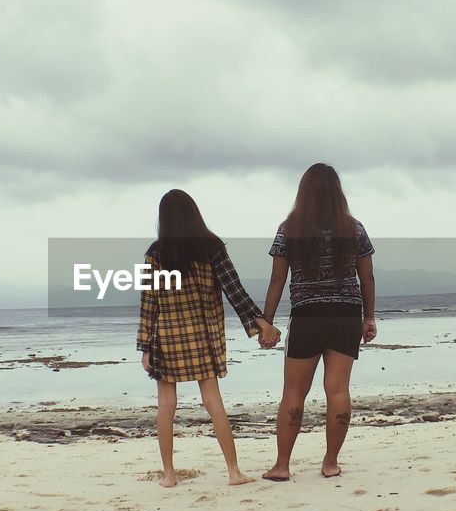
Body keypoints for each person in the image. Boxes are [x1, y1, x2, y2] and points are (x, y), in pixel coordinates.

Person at [138, 189, 281, 488]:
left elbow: (148, 302)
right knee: (213, 401)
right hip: (202, 335)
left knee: (166, 405)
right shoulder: (211, 247)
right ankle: (233, 471)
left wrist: (145, 347)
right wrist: (261, 324)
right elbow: (234, 290)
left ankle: (169, 474)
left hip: (166, 337)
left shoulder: (155, 253)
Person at [260, 164, 376, 481]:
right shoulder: (354, 229)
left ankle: (282, 465)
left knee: (294, 393)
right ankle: (330, 463)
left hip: (308, 316)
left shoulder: (289, 229)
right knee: (338, 390)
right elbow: (367, 278)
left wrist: (266, 322)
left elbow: (276, 282)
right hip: (346, 315)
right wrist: (369, 317)